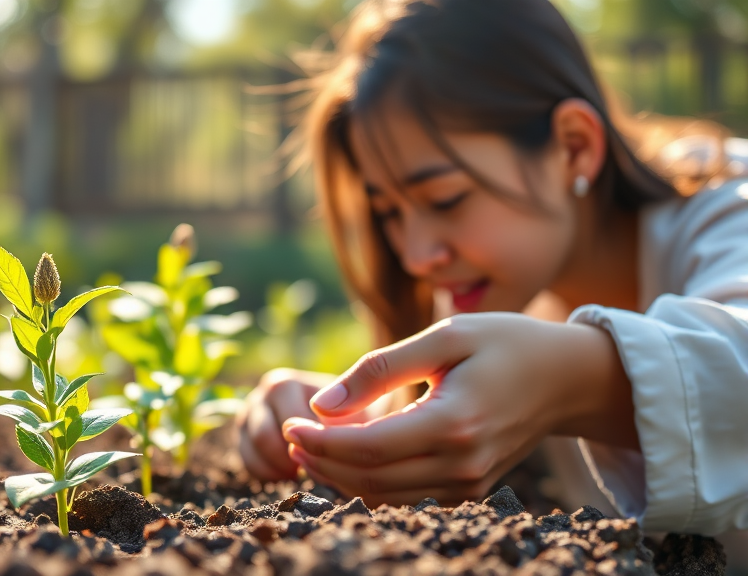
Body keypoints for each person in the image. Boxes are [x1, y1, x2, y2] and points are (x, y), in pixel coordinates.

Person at [237, 0, 748, 565]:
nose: (416, 255)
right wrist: (348, 420)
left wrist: (565, 381)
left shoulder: (730, 205)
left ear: (573, 145)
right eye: (390, 213)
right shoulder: (515, 287)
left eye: (445, 199)